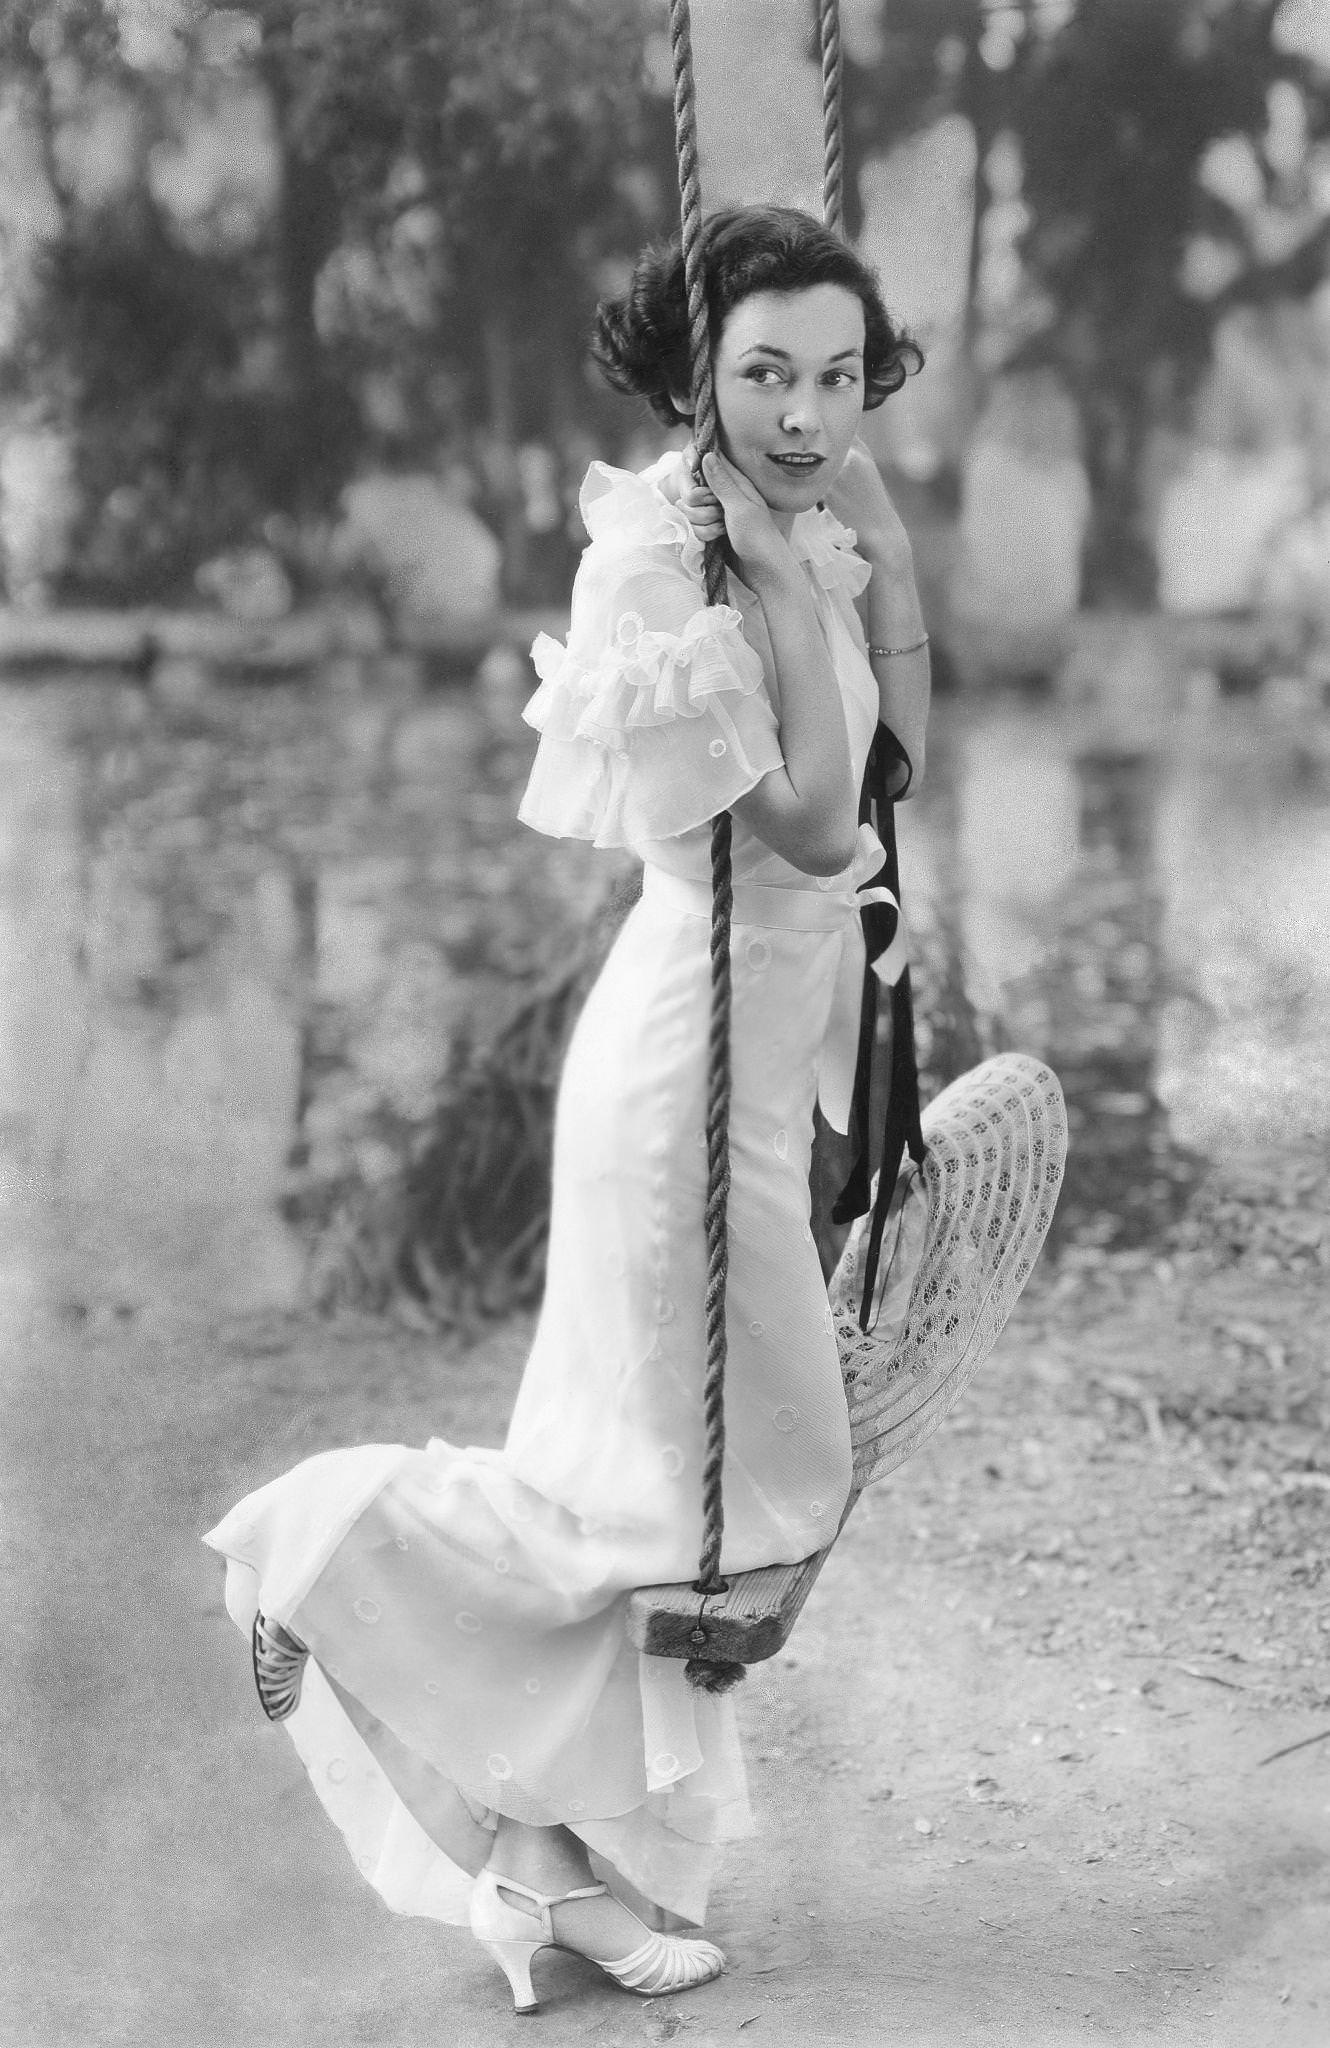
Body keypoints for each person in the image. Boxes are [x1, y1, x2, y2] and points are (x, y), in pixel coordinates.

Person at [204, 205, 928, 2016]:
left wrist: (873, 574)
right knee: (683, 1498)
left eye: (837, 376)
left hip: (755, 1070)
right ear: (695, 373)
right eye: (764, 372)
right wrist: (776, 586)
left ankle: (549, 1876)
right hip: (679, 1073)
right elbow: (818, 834)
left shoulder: (797, 527)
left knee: (675, 1501)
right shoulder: (660, 566)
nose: (803, 411)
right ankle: (313, 1557)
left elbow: (902, 758)